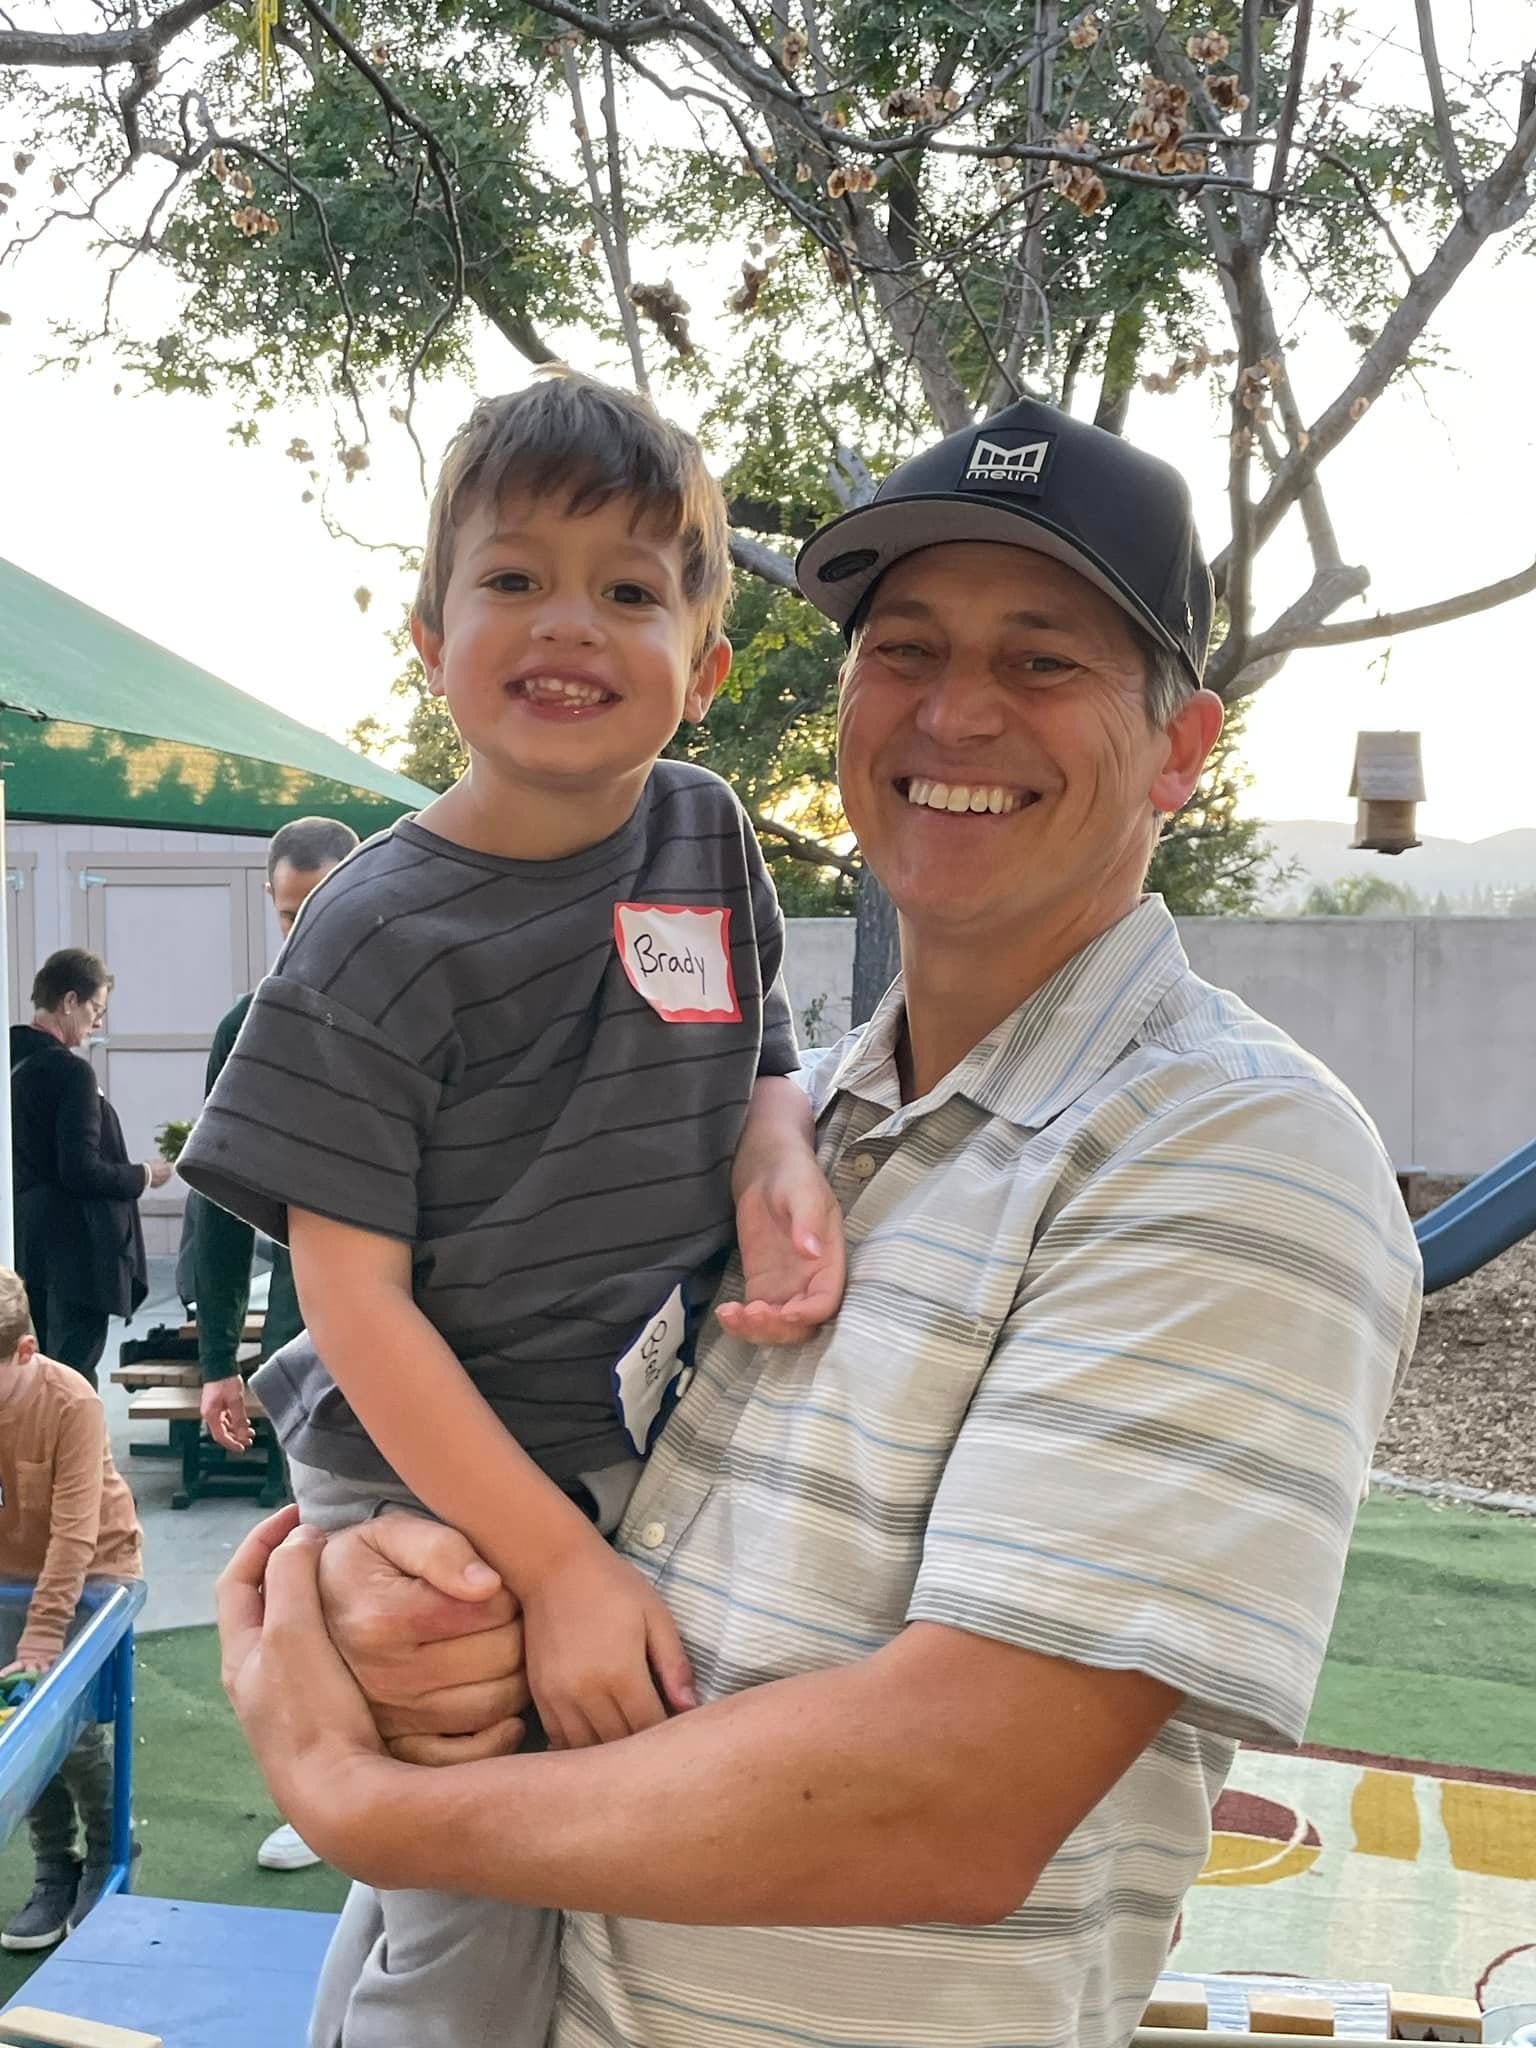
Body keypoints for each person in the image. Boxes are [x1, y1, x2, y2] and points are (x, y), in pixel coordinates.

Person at [219, 395, 1422, 2048]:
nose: (955, 709)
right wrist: (406, 1586)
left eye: (1043, 661)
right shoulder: (797, 1109)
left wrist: (369, 1799)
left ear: (1182, 745)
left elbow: (948, 1795)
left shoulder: (1231, 1147)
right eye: (906, 645)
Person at [184, 370, 842, 2047]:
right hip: (424, 1467)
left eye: (629, 589)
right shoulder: (373, 935)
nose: (570, 624)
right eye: (516, 577)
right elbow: (353, 1307)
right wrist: (554, 1564)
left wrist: (776, 1152)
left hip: (626, 1431)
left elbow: (759, 1047)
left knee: (470, 1884)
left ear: (702, 668)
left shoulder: (703, 836)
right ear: (430, 634)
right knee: (478, 1910)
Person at [178, 814, 359, 1877]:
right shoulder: (249, 1021)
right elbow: (211, 1203)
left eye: (317, 908)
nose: (301, 933)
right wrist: (215, 1359)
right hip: (309, 1350)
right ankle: (320, 1791)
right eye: (287, 913)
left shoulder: (428, 999)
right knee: (311, 1572)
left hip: (439, 1346)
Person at [0, 1266, 145, 1952]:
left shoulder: (70, 1401)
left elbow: (76, 1532)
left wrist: (43, 1632)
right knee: (16, 1723)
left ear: (24, 1352)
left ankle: (113, 1850)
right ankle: (55, 1866)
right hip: (9, 1574)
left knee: (67, 1725)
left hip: (96, 1572)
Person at [11, 949, 174, 1386]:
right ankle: (74, 1456)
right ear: (69, 1001)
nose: (98, 1023)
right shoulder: (71, 1073)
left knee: (31, 1375)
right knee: (71, 1381)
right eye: (95, 1009)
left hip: (24, 1245)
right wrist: (143, 1174)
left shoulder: (9, 1059)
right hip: (77, 1256)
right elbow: (80, 1169)